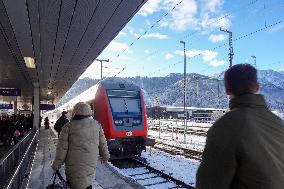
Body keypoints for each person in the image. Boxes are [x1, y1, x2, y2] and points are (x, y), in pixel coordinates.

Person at [196, 64, 284, 189]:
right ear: (257, 87)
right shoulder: (277, 122)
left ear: (227, 90)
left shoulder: (225, 127)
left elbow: (209, 184)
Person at [52, 102, 110, 189]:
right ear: (89, 111)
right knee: (87, 184)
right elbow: (103, 144)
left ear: (75, 112)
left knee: (75, 184)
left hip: (73, 168)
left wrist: (56, 165)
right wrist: (105, 157)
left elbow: (62, 150)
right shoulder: (97, 125)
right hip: (90, 166)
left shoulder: (67, 126)